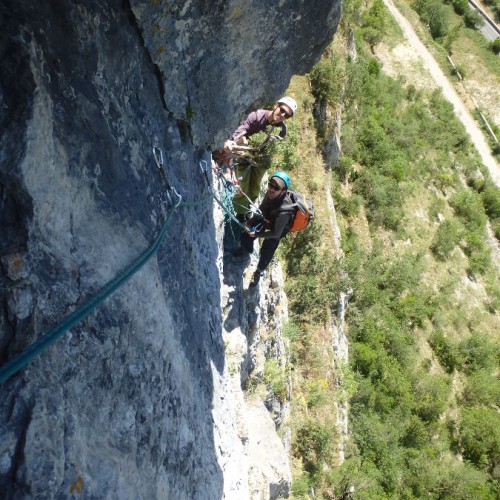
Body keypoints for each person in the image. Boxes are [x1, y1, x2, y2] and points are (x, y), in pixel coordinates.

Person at [219, 97, 298, 217]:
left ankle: (247, 207)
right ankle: (240, 212)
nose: (282, 115)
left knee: (255, 188)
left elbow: (274, 147)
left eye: (286, 115)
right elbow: (242, 129)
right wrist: (231, 141)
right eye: (282, 110)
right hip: (245, 155)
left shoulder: (282, 130)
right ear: (276, 105)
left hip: (262, 159)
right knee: (243, 187)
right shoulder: (256, 116)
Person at [238, 171, 296, 287]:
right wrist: (250, 223)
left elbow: (275, 234)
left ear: (283, 191)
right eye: (271, 185)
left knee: (266, 253)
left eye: (276, 187)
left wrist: (257, 234)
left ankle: (258, 273)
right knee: (246, 235)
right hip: (267, 218)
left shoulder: (285, 211)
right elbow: (262, 208)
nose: (272, 189)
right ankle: (245, 251)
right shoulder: (270, 194)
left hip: (276, 231)